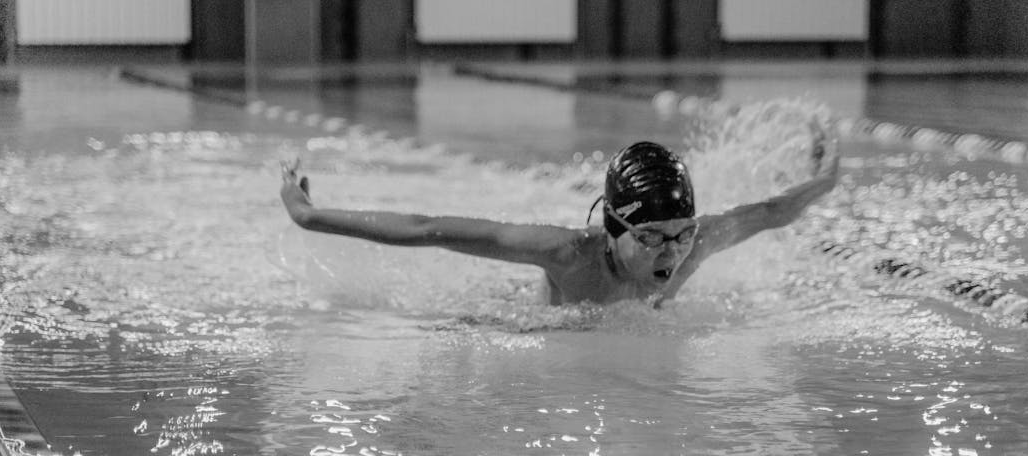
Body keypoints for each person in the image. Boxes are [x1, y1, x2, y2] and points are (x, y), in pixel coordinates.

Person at [280, 136, 838, 306]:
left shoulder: (694, 243)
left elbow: (771, 212)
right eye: (650, 238)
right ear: (613, 229)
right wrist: (309, 216)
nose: (671, 254)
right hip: (534, 322)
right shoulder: (567, 255)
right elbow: (429, 228)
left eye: (680, 235)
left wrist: (829, 178)